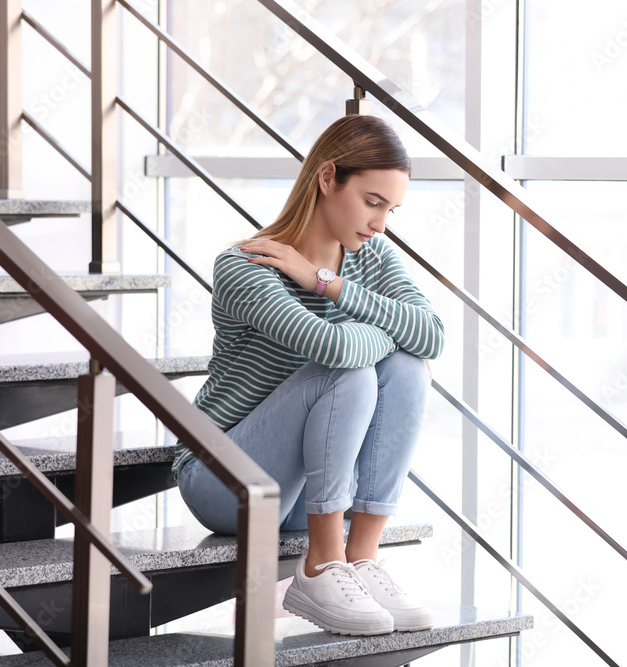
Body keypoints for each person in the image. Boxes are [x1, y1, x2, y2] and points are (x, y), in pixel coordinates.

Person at [172, 114, 445, 637]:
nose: (380, 223)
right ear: (327, 179)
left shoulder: (371, 257)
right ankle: (321, 564)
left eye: (390, 209)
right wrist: (384, 329)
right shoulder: (245, 265)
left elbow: (431, 337)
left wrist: (327, 284)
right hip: (223, 480)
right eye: (372, 201)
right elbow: (333, 347)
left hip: (308, 489)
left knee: (409, 365)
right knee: (352, 372)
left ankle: (360, 556)